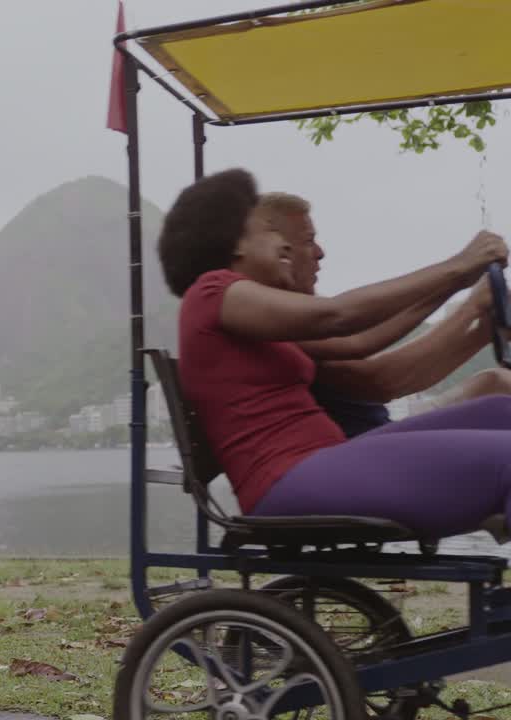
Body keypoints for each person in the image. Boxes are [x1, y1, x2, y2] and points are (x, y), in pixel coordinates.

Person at [160, 168, 511, 540]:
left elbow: (359, 342)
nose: (286, 247)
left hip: (323, 459)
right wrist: (458, 266)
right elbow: (339, 316)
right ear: (234, 244)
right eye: (272, 234)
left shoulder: (260, 314)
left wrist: (460, 285)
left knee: (500, 409)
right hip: (287, 479)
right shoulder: (215, 291)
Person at [256, 192, 511, 438]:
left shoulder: (302, 311)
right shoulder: (278, 318)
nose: (320, 252)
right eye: (309, 240)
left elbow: (377, 352)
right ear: (280, 252)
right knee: (498, 389)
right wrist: (467, 299)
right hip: (360, 450)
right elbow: (383, 380)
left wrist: (480, 329)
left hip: (379, 429)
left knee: (495, 384)